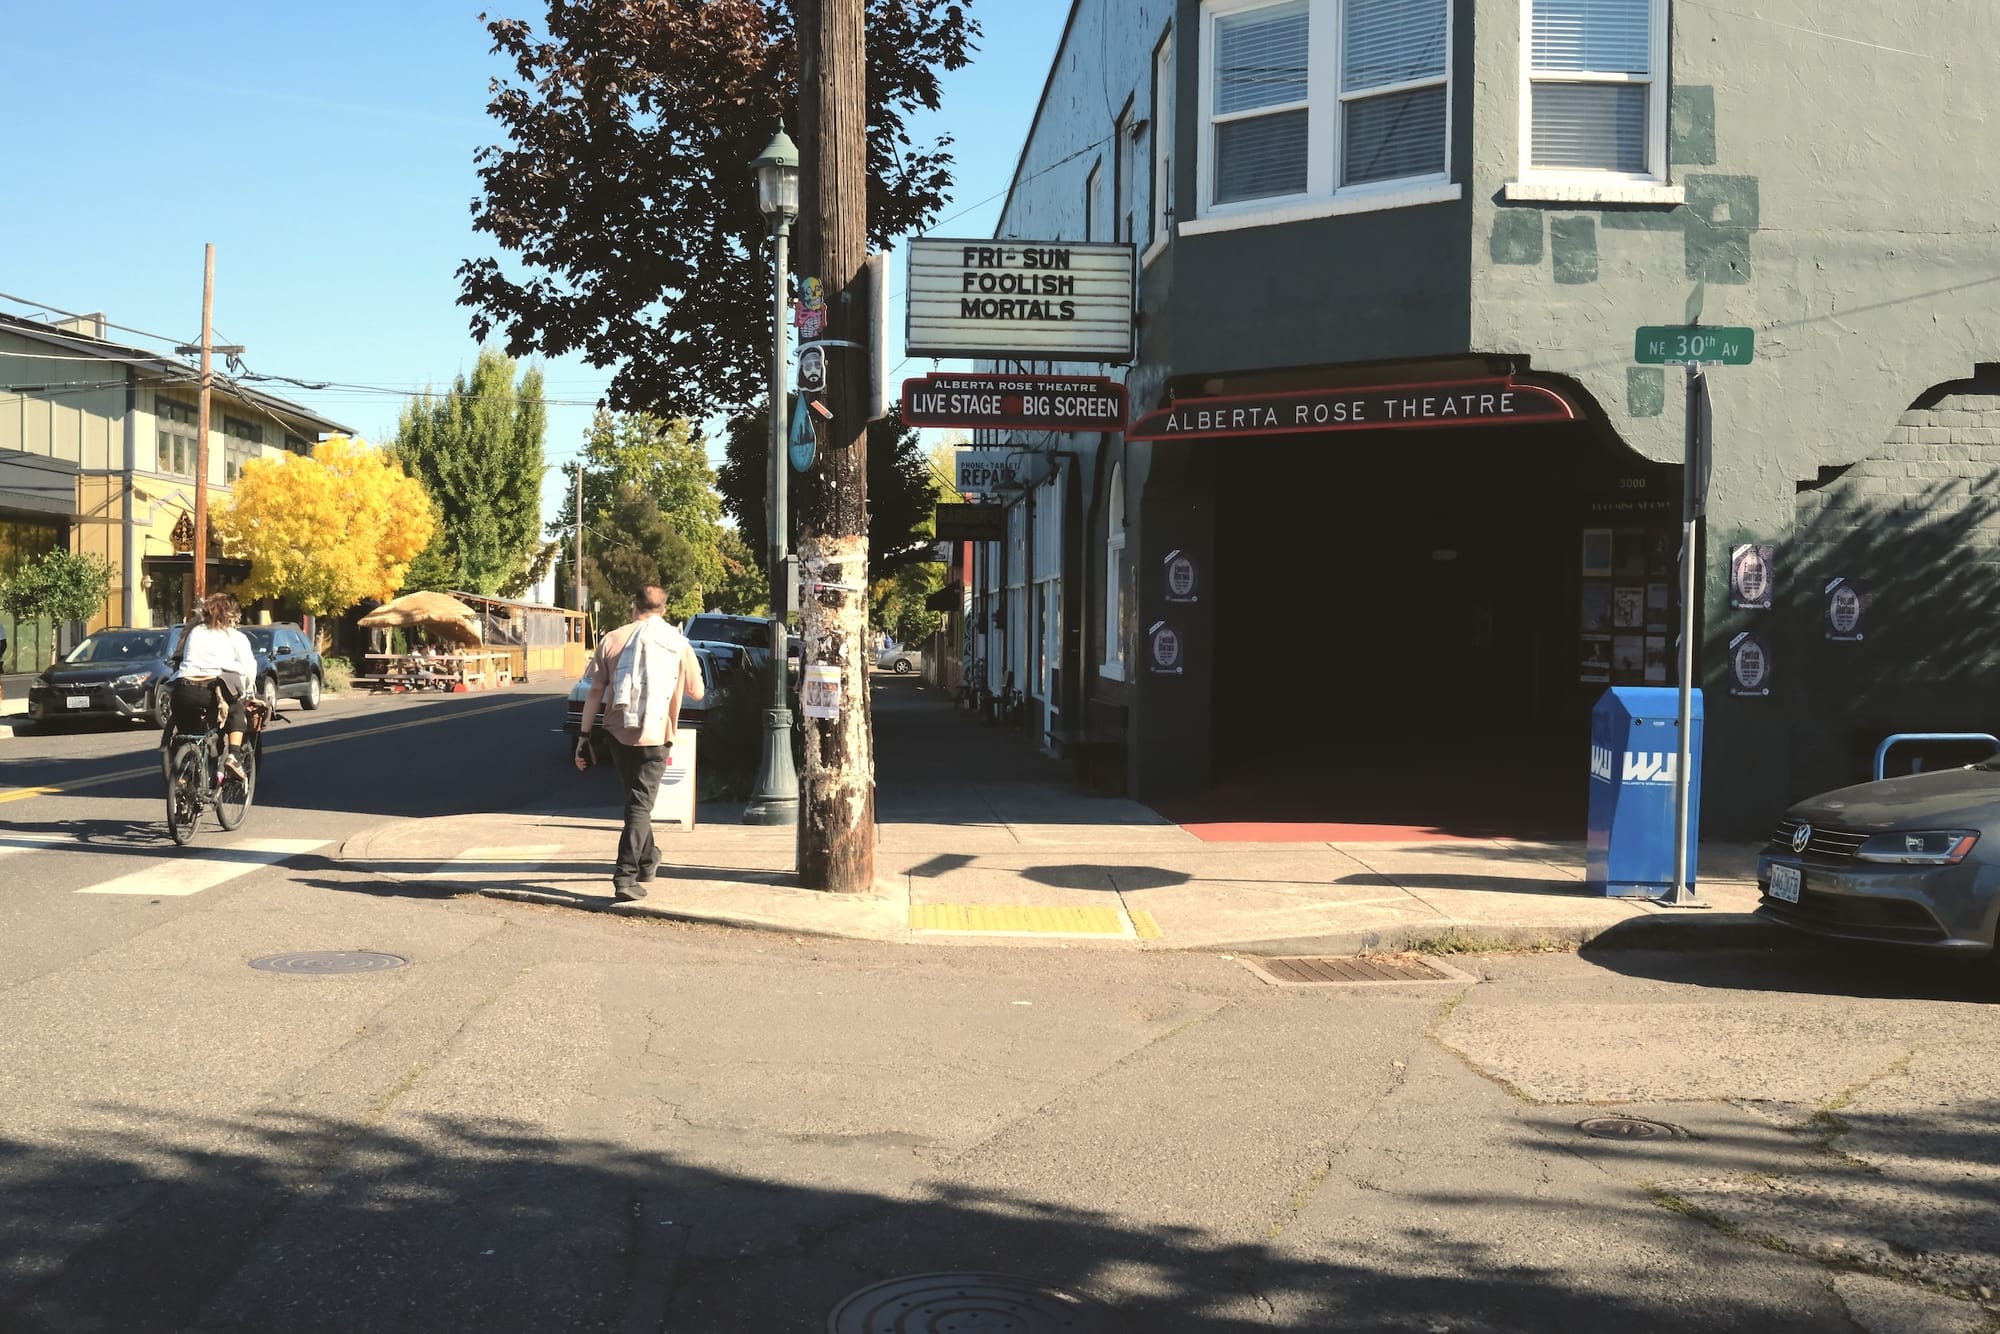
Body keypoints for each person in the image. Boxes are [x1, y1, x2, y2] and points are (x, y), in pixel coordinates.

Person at [574, 584, 704, 900]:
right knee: (640, 804)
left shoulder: (612, 639)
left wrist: (583, 736)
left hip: (618, 732)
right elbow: (697, 692)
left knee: (635, 803)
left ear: (635, 606)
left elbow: (594, 692)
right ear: (664, 609)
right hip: (656, 734)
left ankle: (648, 859)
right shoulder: (678, 643)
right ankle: (625, 877)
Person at [169, 592, 258, 780]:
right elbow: (249, 668)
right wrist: (247, 693)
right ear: (232, 616)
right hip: (211, 690)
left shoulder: (194, 631)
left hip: (183, 690)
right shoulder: (235, 636)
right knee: (235, 711)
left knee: (187, 733)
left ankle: (184, 780)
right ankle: (233, 755)